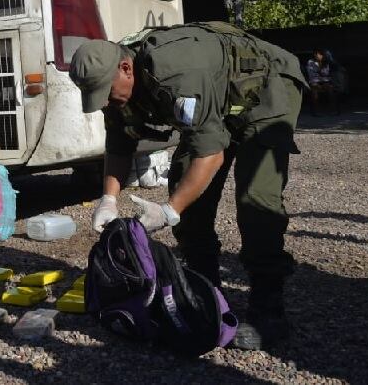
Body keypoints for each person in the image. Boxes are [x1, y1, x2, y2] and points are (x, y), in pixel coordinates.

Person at [69, 22, 307, 352]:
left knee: (256, 199)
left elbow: (211, 153)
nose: (107, 102)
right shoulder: (117, 85)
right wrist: (108, 199)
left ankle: (269, 310)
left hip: (267, 92)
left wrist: (170, 210)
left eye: (107, 93)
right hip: (220, 99)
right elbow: (120, 145)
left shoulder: (175, 73)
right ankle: (206, 293)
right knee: (185, 186)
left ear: (126, 67)